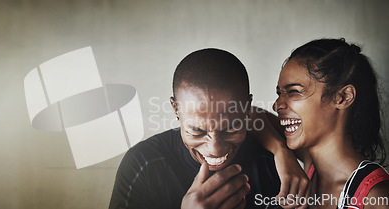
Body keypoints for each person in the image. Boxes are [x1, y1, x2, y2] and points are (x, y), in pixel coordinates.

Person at [109, 48, 309, 209]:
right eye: (197, 131)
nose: (215, 149)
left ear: (246, 108)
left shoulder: (275, 166)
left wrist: (280, 150)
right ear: (175, 109)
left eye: (230, 129)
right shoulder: (143, 164)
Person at [273, 38, 389, 209]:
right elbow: (250, 114)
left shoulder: (377, 197)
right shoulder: (311, 164)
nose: (277, 105)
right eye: (279, 93)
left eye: (293, 92)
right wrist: (279, 151)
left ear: (342, 97)